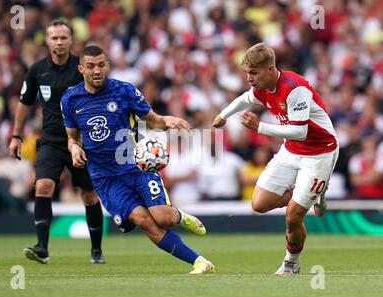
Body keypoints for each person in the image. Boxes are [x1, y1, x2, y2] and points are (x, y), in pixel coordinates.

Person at [61, 45, 215, 274]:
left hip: (137, 166)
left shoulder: (124, 90)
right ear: (81, 68)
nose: (97, 71)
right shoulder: (71, 99)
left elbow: (151, 119)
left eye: (101, 65)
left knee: (163, 217)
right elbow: (72, 137)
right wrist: (74, 149)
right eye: (91, 66)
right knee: (143, 220)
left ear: (108, 66)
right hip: (105, 178)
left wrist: (167, 121)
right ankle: (200, 262)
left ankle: (180, 216)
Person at [213, 43, 339, 275]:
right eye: (247, 73)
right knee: (259, 204)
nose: (250, 78)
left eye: (254, 73)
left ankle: (292, 262)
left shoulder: (294, 88)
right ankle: (314, 192)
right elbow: (244, 99)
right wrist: (223, 116)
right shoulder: (262, 86)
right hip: (291, 150)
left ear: (270, 69)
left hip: (320, 152)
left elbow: (300, 131)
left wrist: (259, 127)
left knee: (293, 216)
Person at [8, 19, 105, 264]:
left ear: (71, 40)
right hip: (50, 140)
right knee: (42, 187)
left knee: (89, 196)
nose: (59, 42)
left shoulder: (82, 69)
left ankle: (96, 250)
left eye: (63, 37)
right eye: (54, 38)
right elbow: (24, 103)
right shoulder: (37, 70)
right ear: (47, 41)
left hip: (80, 142)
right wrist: (16, 136)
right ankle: (42, 247)